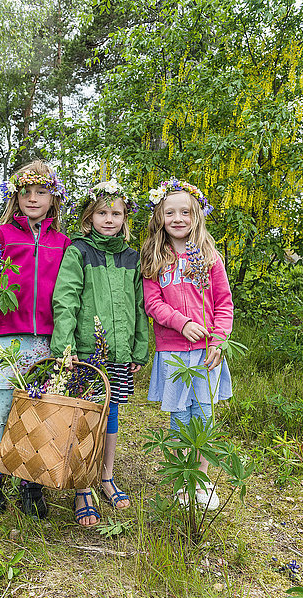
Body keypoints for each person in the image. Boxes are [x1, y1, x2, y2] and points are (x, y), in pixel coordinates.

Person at [0, 159, 71, 518]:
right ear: (16, 196)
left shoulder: (63, 243)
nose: (33, 198)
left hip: (45, 340)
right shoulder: (0, 235)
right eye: (26, 191)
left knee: (37, 412)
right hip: (8, 338)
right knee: (0, 412)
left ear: (53, 197)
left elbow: (68, 292)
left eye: (41, 191)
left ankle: (31, 483)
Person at [50, 179, 149, 527]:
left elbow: (140, 304)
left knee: (112, 415)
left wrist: (139, 346)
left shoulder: (132, 257)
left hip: (119, 353)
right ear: (89, 217)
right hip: (87, 352)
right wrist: (65, 347)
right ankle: (82, 487)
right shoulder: (79, 251)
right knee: (85, 417)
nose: (109, 219)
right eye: (102, 212)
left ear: (125, 218)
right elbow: (66, 299)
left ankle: (105, 477)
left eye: (116, 213)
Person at [141, 178, 233, 510]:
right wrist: (183, 323)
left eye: (185, 212)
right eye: (170, 213)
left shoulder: (209, 256)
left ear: (196, 215)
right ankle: (184, 481)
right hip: (173, 351)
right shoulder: (154, 257)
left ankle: (203, 482)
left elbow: (223, 304)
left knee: (204, 416)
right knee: (180, 418)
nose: (178, 219)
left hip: (208, 352)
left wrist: (218, 341)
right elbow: (153, 304)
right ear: (160, 218)